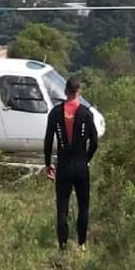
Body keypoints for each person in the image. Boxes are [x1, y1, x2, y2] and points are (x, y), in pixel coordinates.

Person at [43, 76, 98, 251]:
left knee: (62, 207)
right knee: (83, 205)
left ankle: (63, 245)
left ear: (65, 91)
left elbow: (48, 141)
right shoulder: (86, 113)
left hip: (64, 166)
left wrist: (48, 164)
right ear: (78, 91)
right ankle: (81, 243)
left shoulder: (55, 113)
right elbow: (95, 142)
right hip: (81, 166)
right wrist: (86, 159)